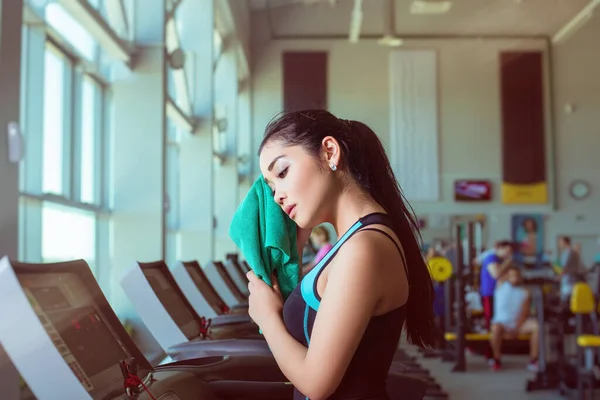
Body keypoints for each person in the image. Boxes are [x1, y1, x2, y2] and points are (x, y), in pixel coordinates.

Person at [245, 110, 435, 400]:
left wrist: (267, 318)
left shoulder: (363, 249)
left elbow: (316, 384)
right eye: (271, 187)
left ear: (330, 152)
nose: (276, 196)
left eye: (282, 173)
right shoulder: (354, 242)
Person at [489, 266, 539, 372]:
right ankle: (497, 359)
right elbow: (497, 273)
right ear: (507, 276)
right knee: (495, 328)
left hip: (519, 324)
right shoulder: (500, 285)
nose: (514, 278)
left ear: (520, 277)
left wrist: (517, 326)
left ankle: (533, 360)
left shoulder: (525, 291)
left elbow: (525, 312)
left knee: (537, 326)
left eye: (516, 275)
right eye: (512, 275)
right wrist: (508, 259)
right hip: (502, 324)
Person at [479, 240, 514, 330]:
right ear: (499, 249)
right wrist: (507, 262)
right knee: (490, 318)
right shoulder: (491, 258)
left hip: (499, 293)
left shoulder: (499, 260)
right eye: (507, 251)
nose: (508, 254)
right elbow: (496, 274)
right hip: (489, 293)